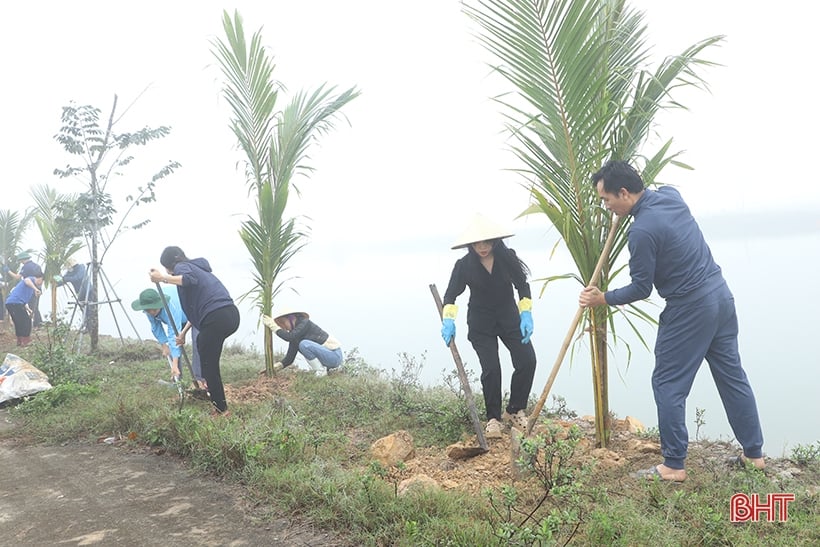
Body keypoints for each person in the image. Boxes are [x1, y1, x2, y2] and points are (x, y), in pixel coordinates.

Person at [579, 160, 765, 482]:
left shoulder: (640, 232)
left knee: (667, 383)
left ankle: (673, 465)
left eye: (607, 199)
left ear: (623, 193)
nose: (605, 205)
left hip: (690, 307)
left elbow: (641, 288)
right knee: (732, 377)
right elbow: (654, 196)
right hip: (720, 296)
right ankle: (754, 455)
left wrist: (602, 298)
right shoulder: (671, 196)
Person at [440, 213, 537, 439]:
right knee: (491, 369)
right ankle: (493, 419)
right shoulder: (464, 265)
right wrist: (448, 320)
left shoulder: (508, 258)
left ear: (495, 241)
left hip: (510, 318)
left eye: (486, 242)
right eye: (477, 243)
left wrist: (526, 315)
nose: (482, 247)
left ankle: (514, 410)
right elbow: (450, 295)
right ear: (470, 244)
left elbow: (523, 287)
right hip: (480, 322)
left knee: (527, 360)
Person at [149, 246, 240, 416]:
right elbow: (197, 311)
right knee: (206, 355)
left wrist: (163, 278)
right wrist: (183, 333)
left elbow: (188, 279)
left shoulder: (183, 268)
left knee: (208, 364)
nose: (170, 271)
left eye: (168, 268)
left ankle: (221, 409)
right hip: (229, 315)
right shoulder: (199, 269)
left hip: (217, 316)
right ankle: (213, 395)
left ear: (171, 264)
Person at [131, 287, 205, 389]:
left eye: (154, 309)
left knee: (198, 342)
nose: (151, 312)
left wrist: (174, 364)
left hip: (195, 312)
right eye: (148, 310)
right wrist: (163, 344)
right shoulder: (148, 310)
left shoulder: (170, 308)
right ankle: (178, 382)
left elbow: (173, 335)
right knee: (170, 347)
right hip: (180, 317)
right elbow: (156, 327)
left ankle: (200, 381)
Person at [262, 308, 343, 377]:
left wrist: (273, 326)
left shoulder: (305, 323)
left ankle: (320, 371)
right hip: (327, 360)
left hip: (334, 356)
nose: (284, 327)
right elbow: (289, 359)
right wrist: (275, 367)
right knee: (303, 344)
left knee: (304, 344)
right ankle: (321, 371)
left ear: (291, 318)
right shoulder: (295, 335)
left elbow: (289, 337)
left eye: (283, 323)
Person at [5, 272, 44, 346]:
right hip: (15, 303)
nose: (41, 283)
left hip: (13, 303)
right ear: (40, 278)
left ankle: (19, 340)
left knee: (18, 322)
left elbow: (23, 300)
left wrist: (29, 310)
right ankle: (26, 340)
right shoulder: (31, 279)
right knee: (27, 321)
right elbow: (27, 280)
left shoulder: (30, 289)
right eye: (42, 281)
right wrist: (35, 289)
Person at [54, 257, 92, 330]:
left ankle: (90, 327)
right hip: (80, 293)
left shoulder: (81, 268)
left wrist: (64, 279)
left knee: (89, 309)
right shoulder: (70, 272)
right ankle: (87, 326)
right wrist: (56, 279)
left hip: (88, 291)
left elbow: (77, 277)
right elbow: (63, 280)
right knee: (83, 310)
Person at [7, 252, 43, 328]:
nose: (20, 262)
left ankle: (38, 325)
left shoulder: (26, 267)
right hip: (38, 288)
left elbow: (18, 277)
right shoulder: (37, 266)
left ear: (23, 260)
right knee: (35, 306)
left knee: (32, 307)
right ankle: (38, 324)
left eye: (20, 261)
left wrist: (8, 271)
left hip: (30, 289)